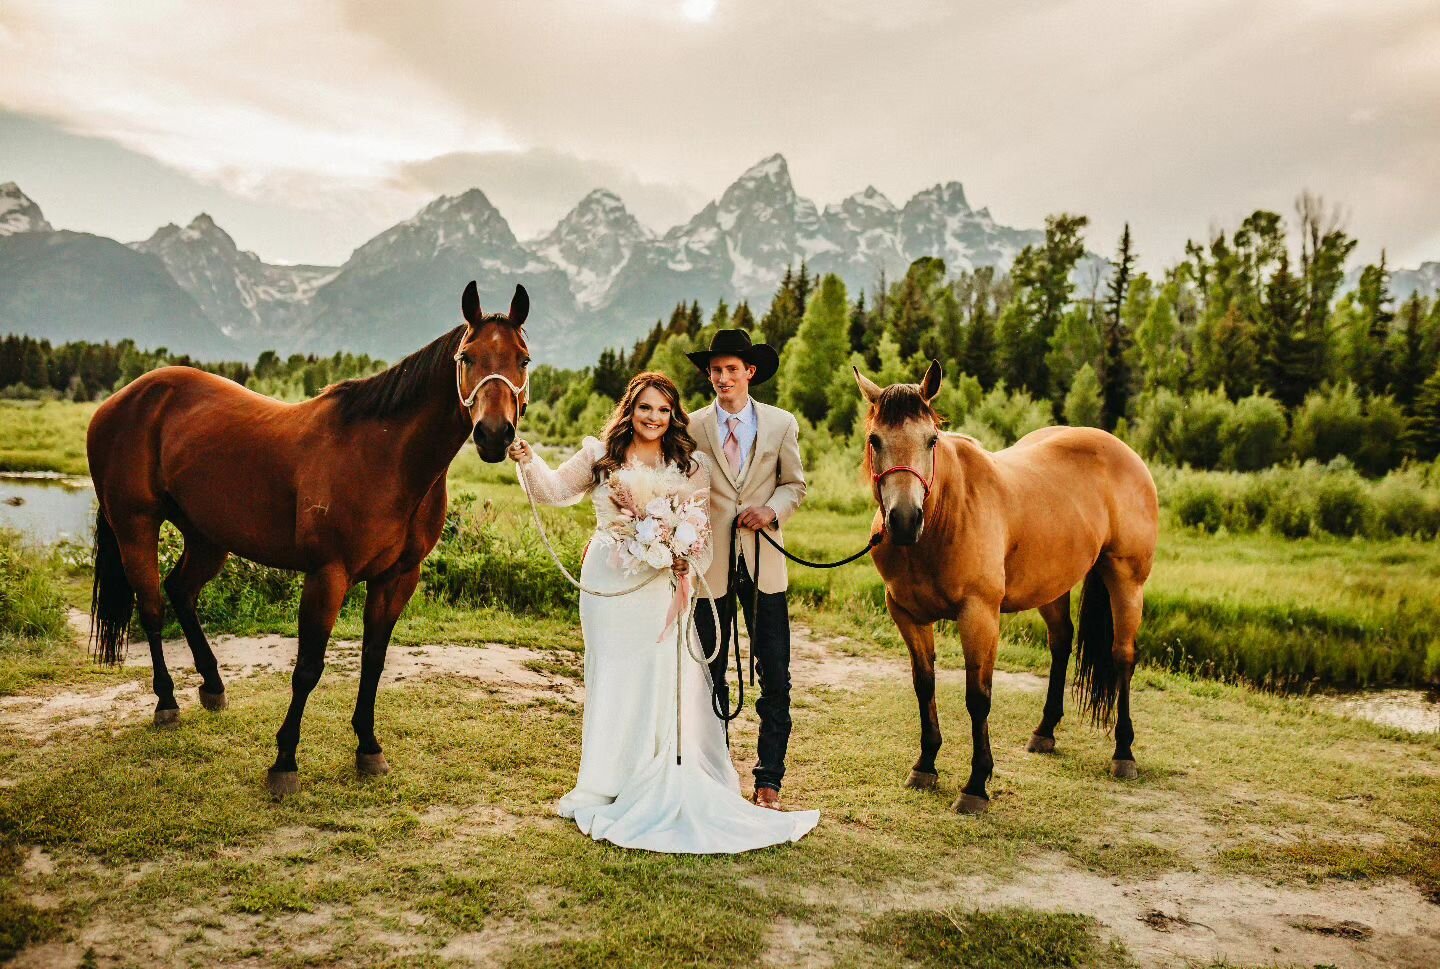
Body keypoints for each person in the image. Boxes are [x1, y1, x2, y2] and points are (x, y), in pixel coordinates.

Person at [506, 371, 818, 853]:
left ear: (673, 416)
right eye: (645, 407)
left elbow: (701, 536)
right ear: (629, 409)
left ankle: (657, 770)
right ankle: (604, 779)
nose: (653, 417)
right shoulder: (598, 456)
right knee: (609, 675)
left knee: (658, 676)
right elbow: (552, 491)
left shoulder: (690, 466)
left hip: (660, 589)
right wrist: (529, 462)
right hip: (608, 584)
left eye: (663, 410)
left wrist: (678, 556)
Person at [684, 330, 807, 811]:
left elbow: (795, 485)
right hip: (709, 568)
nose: (722, 378)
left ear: (749, 372)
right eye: (715, 371)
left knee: (775, 675)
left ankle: (768, 780)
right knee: (708, 671)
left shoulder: (781, 425)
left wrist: (771, 511)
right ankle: (712, 773)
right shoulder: (691, 427)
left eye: (731, 369)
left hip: (765, 567)